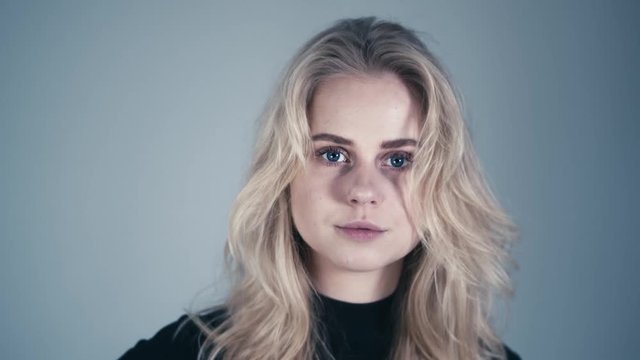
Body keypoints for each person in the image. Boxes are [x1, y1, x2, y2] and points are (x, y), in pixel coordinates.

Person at [120, 17, 521, 360]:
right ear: (283, 171)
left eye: (399, 159)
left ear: (442, 181)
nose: (363, 191)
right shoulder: (193, 352)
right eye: (332, 154)